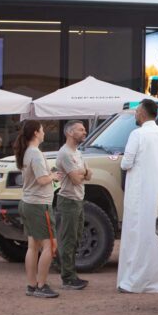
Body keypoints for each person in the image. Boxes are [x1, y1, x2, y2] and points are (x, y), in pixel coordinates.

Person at [117, 99, 158, 293]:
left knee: (137, 235)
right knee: (157, 236)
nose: (135, 114)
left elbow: (126, 163)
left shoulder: (137, 134)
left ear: (142, 113)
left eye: (136, 111)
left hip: (139, 194)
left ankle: (134, 282)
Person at [14, 120, 61, 298]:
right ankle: (41, 285)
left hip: (27, 202)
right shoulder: (35, 153)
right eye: (42, 130)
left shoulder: (26, 152)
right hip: (39, 205)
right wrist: (53, 176)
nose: (44, 133)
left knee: (33, 246)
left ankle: (32, 284)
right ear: (35, 133)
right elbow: (42, 180)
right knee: (51, 245)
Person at [56, 121, 91, 290]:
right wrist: (82, 173)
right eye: (81, 129)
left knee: (76, 238)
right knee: (68, 239)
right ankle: (67, 277)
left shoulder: (77, 153)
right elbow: (76, 179)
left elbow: (88, 175)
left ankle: (71, 274)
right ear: (70, 133)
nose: (85, 132)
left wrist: (82, 172)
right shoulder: (65, 154)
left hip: (77, 199)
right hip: (68, 200)